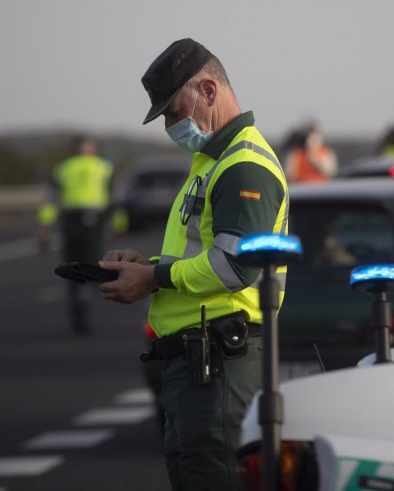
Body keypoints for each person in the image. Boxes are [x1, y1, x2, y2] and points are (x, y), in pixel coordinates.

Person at [97, 38, 289, 491]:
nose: (169, 125)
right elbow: (202, 254)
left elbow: (235, 267)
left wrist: (153, 278)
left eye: (172, 111)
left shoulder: (243, 165)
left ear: (207, 90)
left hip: (220, 365)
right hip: (200, 367)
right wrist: (148, 266)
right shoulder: (212, 160)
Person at [36, 135, 118, 336]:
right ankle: (86, 295)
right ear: (94, 149)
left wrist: (44, 227)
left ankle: (76, 300)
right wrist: (119, 225)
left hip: (70, 223)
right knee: (93, 265)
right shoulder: (104, 167)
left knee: (72, 266)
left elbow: (51, 201)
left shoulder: (62, 168)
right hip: (94, 222)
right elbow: (114, 199)